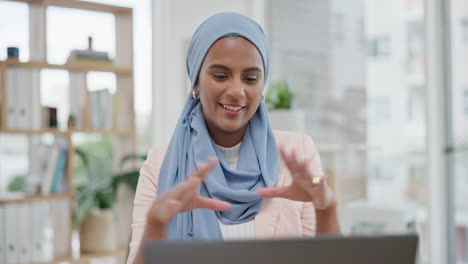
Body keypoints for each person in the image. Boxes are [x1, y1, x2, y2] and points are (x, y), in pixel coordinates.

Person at [127, 12, 340, 264]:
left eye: (250, 78)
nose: (237, 91)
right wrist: (155, 226)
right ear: (196, 82)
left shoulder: (298, 152)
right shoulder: (160, 165)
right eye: (220, 76)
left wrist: (327, 208)